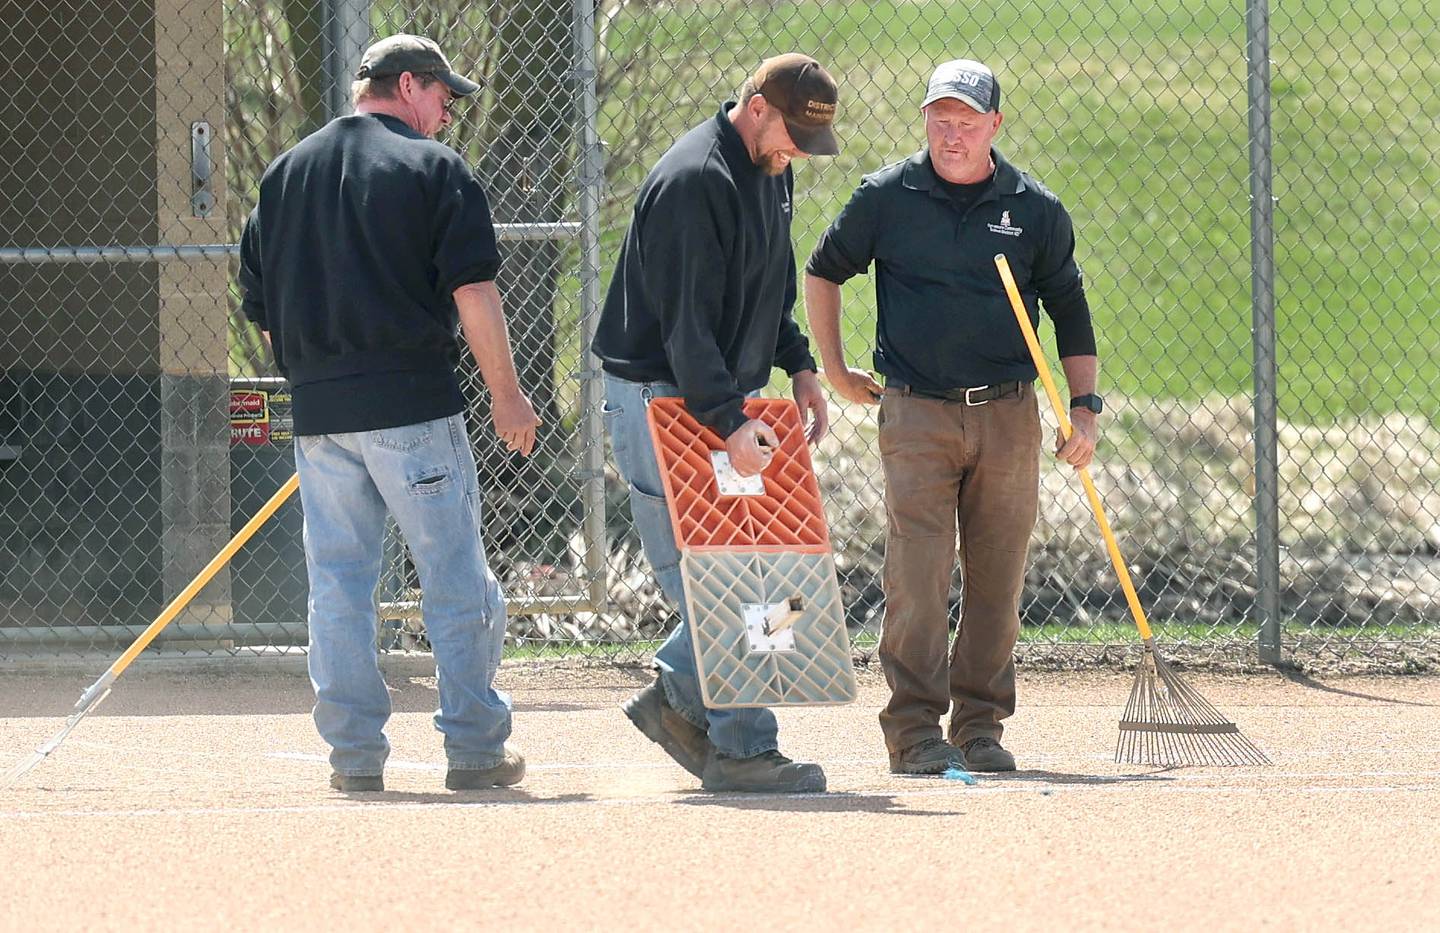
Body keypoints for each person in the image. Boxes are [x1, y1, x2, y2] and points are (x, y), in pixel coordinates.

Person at [238, 34, 540, 793]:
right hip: (412, 404)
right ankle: (473, 748)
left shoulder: (282, 175)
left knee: (339, 583)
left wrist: (316, 378)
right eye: (443, 97)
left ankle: (354, 757)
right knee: (454, 577)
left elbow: (265, 314)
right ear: (408, 86)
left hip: (320, 411)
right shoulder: (436, 170)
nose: (446, 115)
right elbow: (474, 292)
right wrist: (507, 393)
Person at [804, 59, 1101, 775]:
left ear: (994, 125)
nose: (952, 133)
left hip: (1008, 414)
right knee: (919, 573)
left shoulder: (1034, 209)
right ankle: (912, 731)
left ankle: (980, 725)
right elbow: (823, 271)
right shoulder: (886, 195)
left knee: (997, 574)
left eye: (967, 121)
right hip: (916, 413)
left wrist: (1085, 410)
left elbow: (1070, 309)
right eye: (941, 119)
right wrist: (837, 370)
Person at [592, 54, 841, 793]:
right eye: (792, 132)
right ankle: (738, 743)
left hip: (714, 396)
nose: (797, 150)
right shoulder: (695, 180)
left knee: (767, 580)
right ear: (757, 107)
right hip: (665, 396)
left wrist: (799, 363)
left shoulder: (770, 169)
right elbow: (685, 326)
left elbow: (769, 280)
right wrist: (730, 419)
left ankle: (685, 697)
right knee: (729, 583)